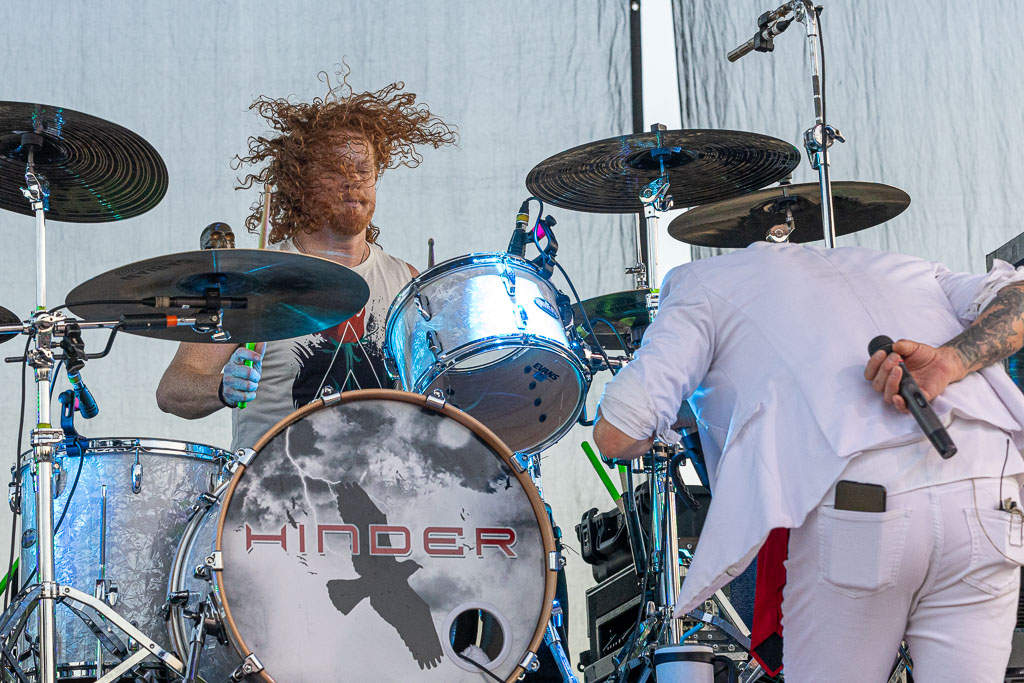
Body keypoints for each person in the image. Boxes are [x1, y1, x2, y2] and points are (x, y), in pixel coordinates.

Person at [593, 240, 1024, 681]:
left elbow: (616, 432)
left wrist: (687, 416)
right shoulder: (910, 266)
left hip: (863, 504)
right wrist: (950, 361)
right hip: (989, 487)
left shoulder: (700, 282)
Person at [156, 72, 457, 452]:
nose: (353, 182)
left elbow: (438, 392)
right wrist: (222, 387)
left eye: (363, 170)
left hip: (385, 483)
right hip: (276, 483)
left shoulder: (405, 281)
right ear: (301, 182)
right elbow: (173, 389)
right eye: (336, 170)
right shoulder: (254, 277)